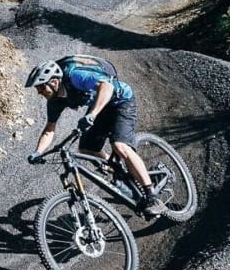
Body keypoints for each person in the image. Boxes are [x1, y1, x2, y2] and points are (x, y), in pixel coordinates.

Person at [24, 55, 167, 217]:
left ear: (54, 81)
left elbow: (106, 87)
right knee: (87, 149)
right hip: (101, 108)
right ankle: (119, 172)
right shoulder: (55, 101)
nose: (39, 92)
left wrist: (92, 115)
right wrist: (38, 152)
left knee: (119, 145)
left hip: (121, 102)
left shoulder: (75, 75)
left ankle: (152, 197)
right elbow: (49, 129)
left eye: (41, 87)